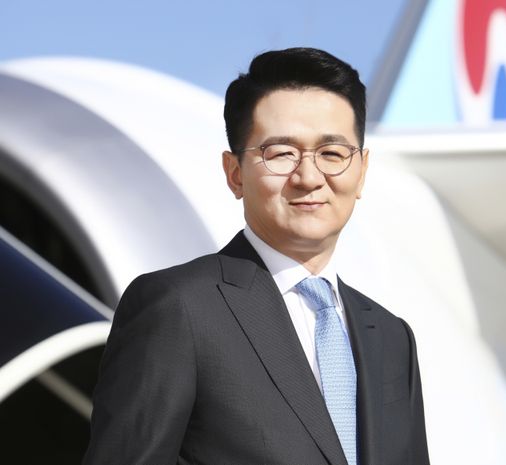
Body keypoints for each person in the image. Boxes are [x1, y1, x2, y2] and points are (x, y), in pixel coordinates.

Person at [83, 47, 429, 465]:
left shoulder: (391, 336)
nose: (308, 177)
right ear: (235, 174)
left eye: (332, 154)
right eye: (281, 153)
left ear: (361, 172)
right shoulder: (179, 308)